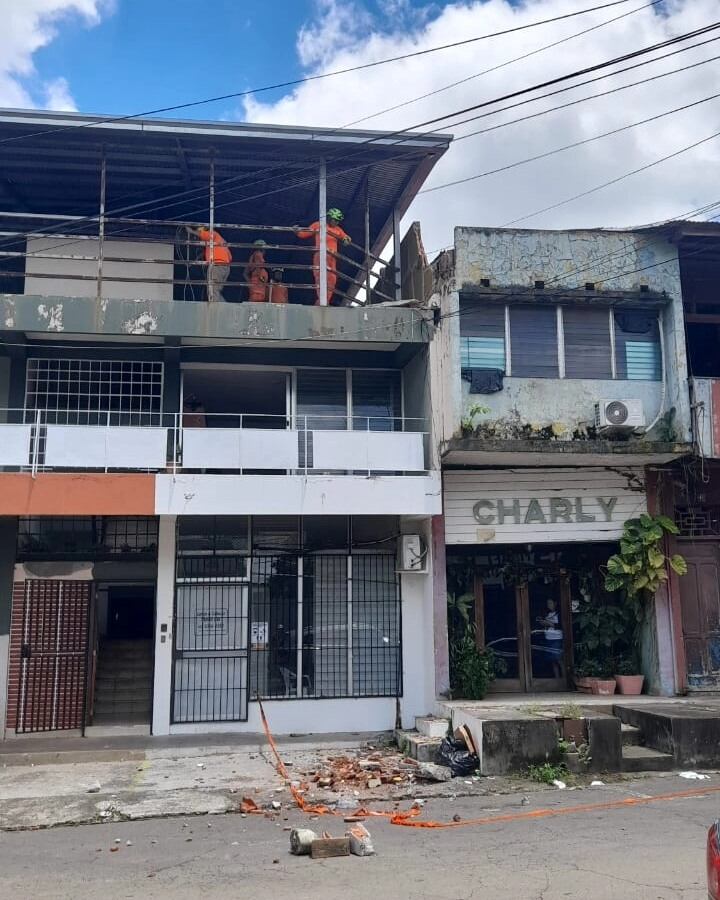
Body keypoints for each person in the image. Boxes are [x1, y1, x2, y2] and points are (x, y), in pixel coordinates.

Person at [296, 208, 351, 305]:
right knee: (320, 277)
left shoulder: (338, 230)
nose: (336, 222)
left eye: (338, 221)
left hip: (332, 257)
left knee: (332, 279)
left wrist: (346, 240)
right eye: (335, 220)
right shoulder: (318, 225)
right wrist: (297, 231)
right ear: (329, 218)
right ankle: (321, 300)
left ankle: (326, 301)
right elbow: (304, 234)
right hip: (320, 255)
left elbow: (346, 238)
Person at [186, 225, 232, 302]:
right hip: (225, 268)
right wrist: (193, 262)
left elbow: (203, 235)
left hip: (217, 265)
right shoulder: (220, 241)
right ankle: (226, 309)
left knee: (212, 290)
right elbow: (230, 257)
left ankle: (215, 311)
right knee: (216, 291)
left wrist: (191, 231)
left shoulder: (214, 234)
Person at [537, 599, 564, 678]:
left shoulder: (559, 614)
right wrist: (542, 623)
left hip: (557, 639)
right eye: (547, 603)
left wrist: (549, 623)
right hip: (548, 639)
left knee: (559, 660)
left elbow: (562, 625)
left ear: (555, 603)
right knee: (553, 661)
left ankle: (565, 679)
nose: (548, 605)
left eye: (550, 603)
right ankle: (557, 679)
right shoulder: (547, 614)